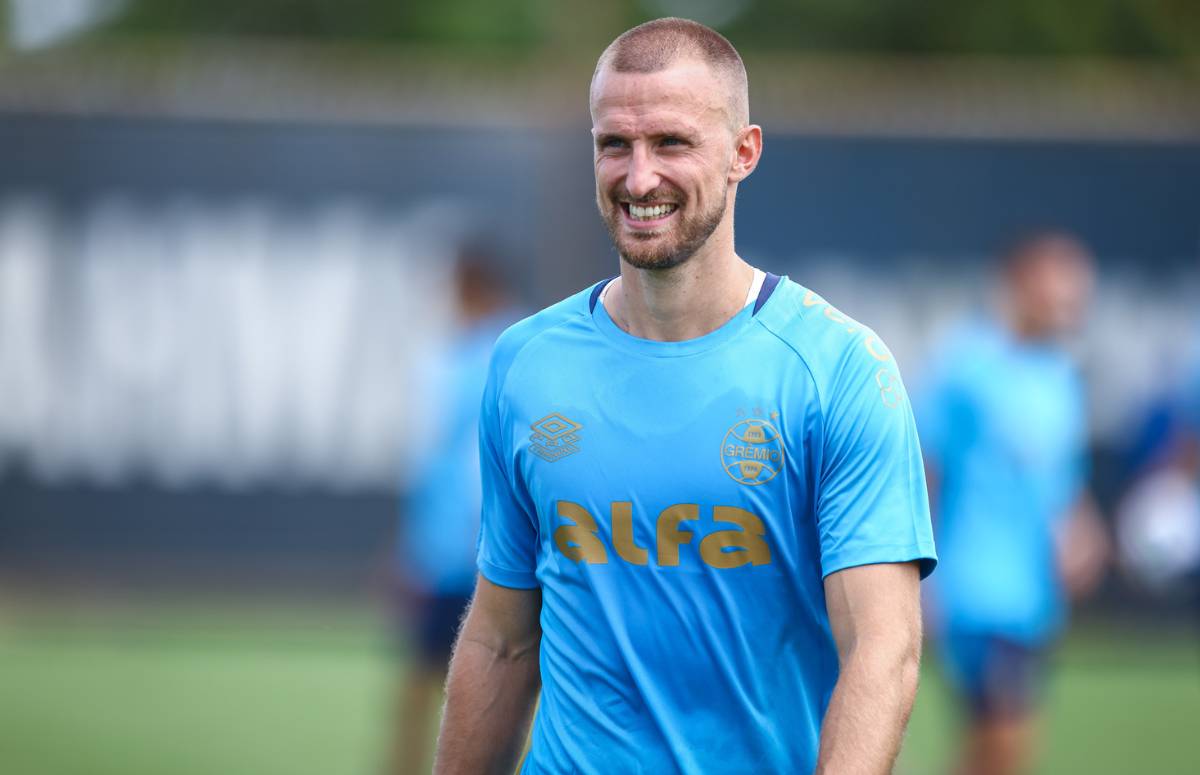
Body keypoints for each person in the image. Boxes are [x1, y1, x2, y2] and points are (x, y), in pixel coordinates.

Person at [434, 18, 937, 775]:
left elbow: (882, 651)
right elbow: (502, 638)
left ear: (743, 152)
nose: (638, 179)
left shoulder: (837, 371)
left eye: (670, 143)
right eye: (614, 145)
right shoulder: (524, 363)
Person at [917, 233, 1109, 775]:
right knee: (1006, 744)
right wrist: (918, 580)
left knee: (990, 751)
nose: (1071, 301)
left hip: (1035, 599)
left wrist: (1082, 532)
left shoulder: (1060, 377)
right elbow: (924, 473)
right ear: (1020, 285)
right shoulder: (966, 367)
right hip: (978, 590)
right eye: (1059, 285)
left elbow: (1062, 483)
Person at [390, 248, 516, 775]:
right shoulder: (463, 351)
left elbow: (475, 462)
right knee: (429, 682)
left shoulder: (509, 350)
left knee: (486, 682)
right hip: (447, 550)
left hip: (480, 553)